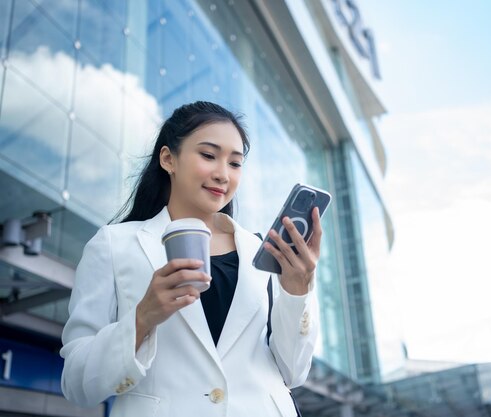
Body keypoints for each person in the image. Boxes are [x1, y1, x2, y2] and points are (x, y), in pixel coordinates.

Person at [60, 101, 321, 416]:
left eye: (235, 163)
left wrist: (297, 292)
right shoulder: (115, 245)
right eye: (209, 156)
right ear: (169, 159)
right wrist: (143, 318)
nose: (223, 174)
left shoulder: (260, 251)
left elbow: (293, 372)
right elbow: (76, 382)